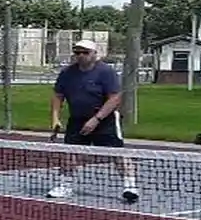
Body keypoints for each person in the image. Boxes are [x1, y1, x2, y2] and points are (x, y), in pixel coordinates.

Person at [47, 39, 139, 203]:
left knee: (117, 153)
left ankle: (130, 186)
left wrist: (96, 119)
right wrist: (55, 118)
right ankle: (65, 185)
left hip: (105, 120)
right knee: (70, 153)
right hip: (77, 119)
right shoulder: (67, 73)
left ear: (94, 54)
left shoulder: (106, 72)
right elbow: (58, 96)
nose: (81, 56)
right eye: (77, 52)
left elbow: (114, 98)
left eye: (85, 52)